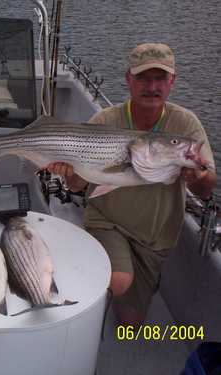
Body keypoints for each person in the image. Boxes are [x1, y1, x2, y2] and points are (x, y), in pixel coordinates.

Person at [47, 43, 217, 326]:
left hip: (155, 236)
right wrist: (67, 172)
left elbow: (206, 187)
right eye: (142, 78)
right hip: (107, 221)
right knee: (120, 281)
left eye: (160, 78)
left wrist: (198, 178)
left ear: (172, 81)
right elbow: (78, 186)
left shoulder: (186, 125)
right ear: (128, 79)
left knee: (131, 326)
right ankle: (67, 307)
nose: (152, 86)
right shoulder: (106, 120)